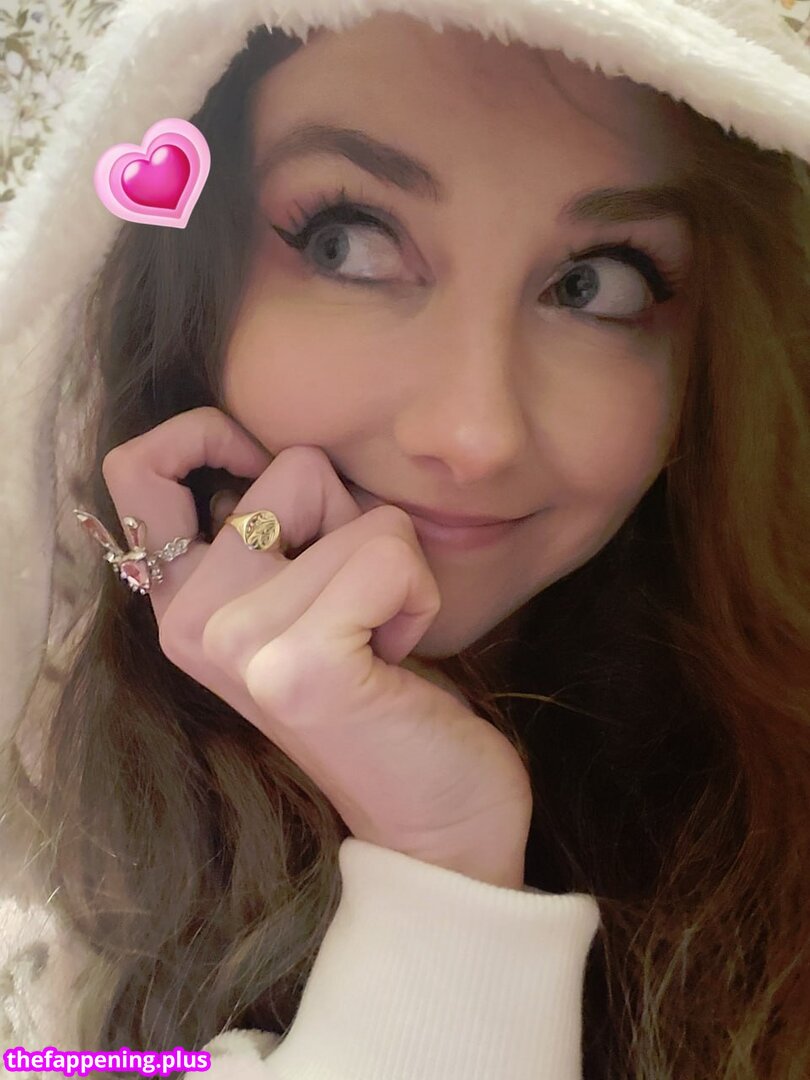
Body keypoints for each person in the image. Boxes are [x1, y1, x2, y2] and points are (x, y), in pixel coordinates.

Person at [0, 1, 808, 1077]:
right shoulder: (37, 851)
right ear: (186, 286)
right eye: (349, 244)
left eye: (595, 283)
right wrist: (443, 866)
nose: (476, 436)